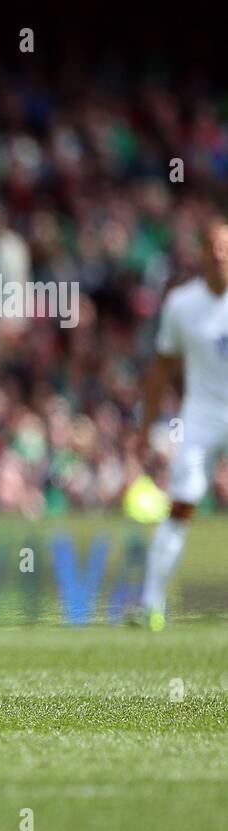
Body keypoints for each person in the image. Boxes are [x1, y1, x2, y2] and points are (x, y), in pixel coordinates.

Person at [136, 217, 228, 631]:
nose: (221, 255)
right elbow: (161, 370)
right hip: (203, 412)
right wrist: (145, 428)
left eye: (227, 247)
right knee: (182, 504)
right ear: (202, 253)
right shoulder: (181, 304)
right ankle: (151, 605)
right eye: (214, 247)